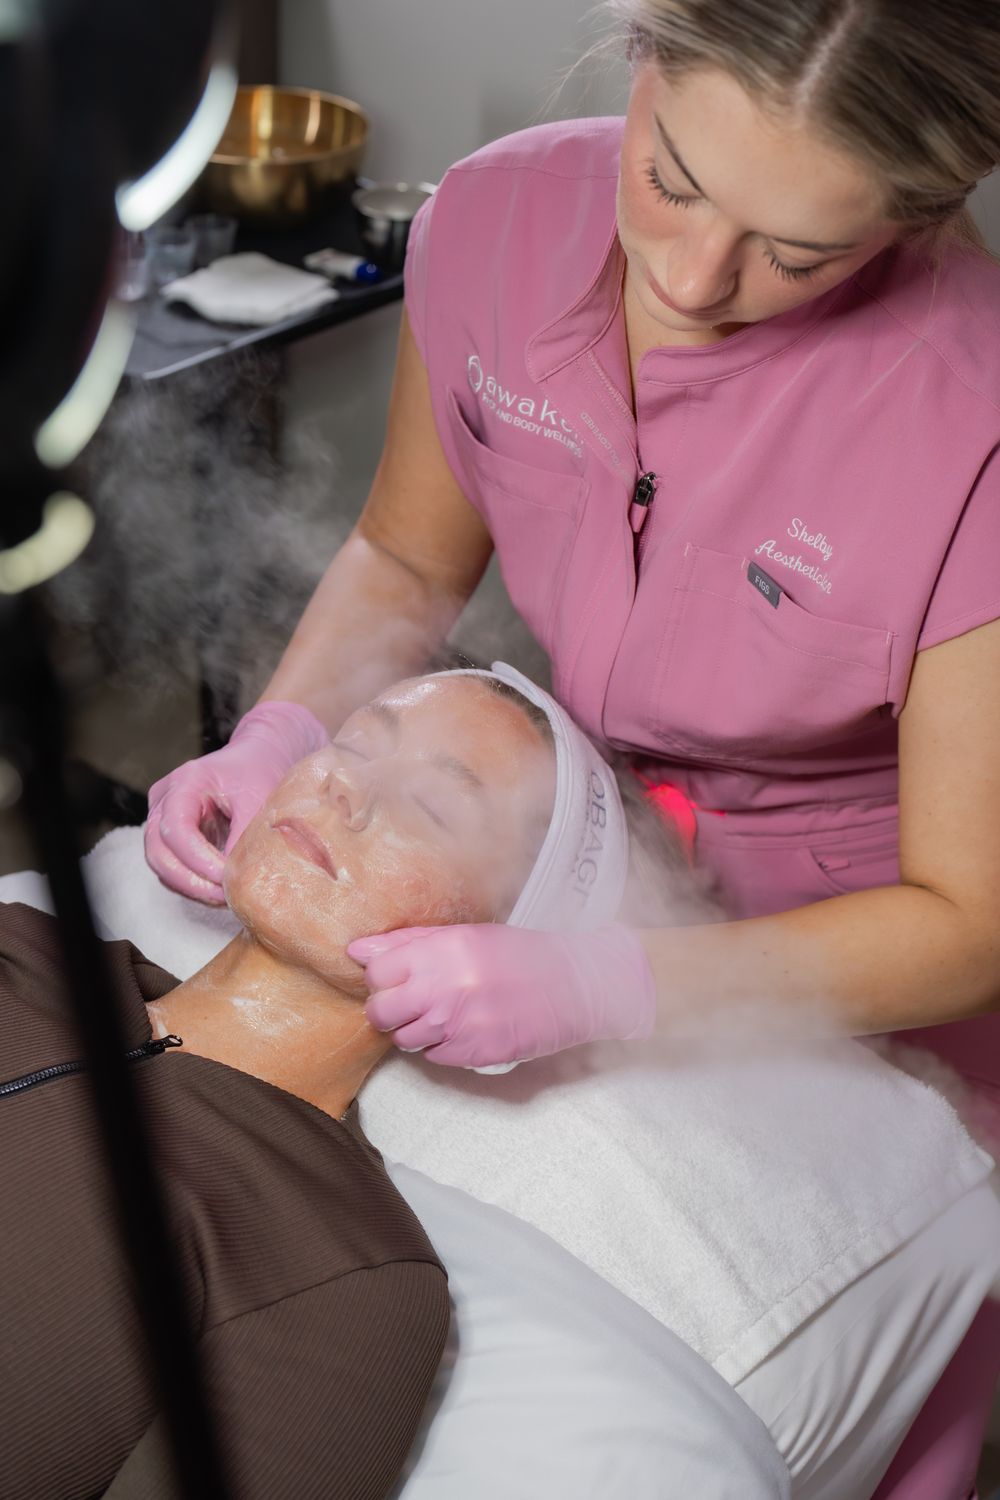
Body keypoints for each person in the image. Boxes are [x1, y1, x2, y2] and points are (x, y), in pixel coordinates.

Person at [146, 6, 1000, 1095]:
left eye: (796, 254)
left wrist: (618, 984)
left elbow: (970, 927)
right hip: (579, 861)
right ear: (641, 55)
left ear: (915, 217)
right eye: (672, 182)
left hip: (866, 962)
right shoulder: (495, 220)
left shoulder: (971, 427)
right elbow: (406, 562)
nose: (691, 283)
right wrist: (284, 730)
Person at [2, 669, 582, 1500]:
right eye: (352, 743)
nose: (346, 784)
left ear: (502, 948)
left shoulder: (343, 1266)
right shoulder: (24, 951)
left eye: (434, 807)